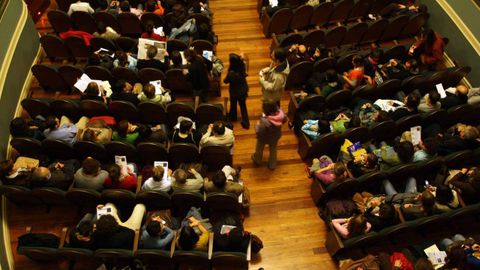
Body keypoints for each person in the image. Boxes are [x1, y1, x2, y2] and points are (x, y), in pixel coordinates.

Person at [251, 102, 285, 170]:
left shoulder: (265, 122)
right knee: (273, 149)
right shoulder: (281, 114)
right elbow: (284, 120)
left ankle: (257, 159)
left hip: (264, 138)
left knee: (259, 147)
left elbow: (259, 132)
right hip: (275, 136)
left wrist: (257, 125)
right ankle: (272, 164)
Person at [224, 53, 249, 129]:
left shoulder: (231, 73)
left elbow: (225, 81)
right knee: (243, 107)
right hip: (243, 90)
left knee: (233, 104)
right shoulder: (242, 66)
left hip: (234, 92)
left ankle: (233, 117)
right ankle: (246, 123)